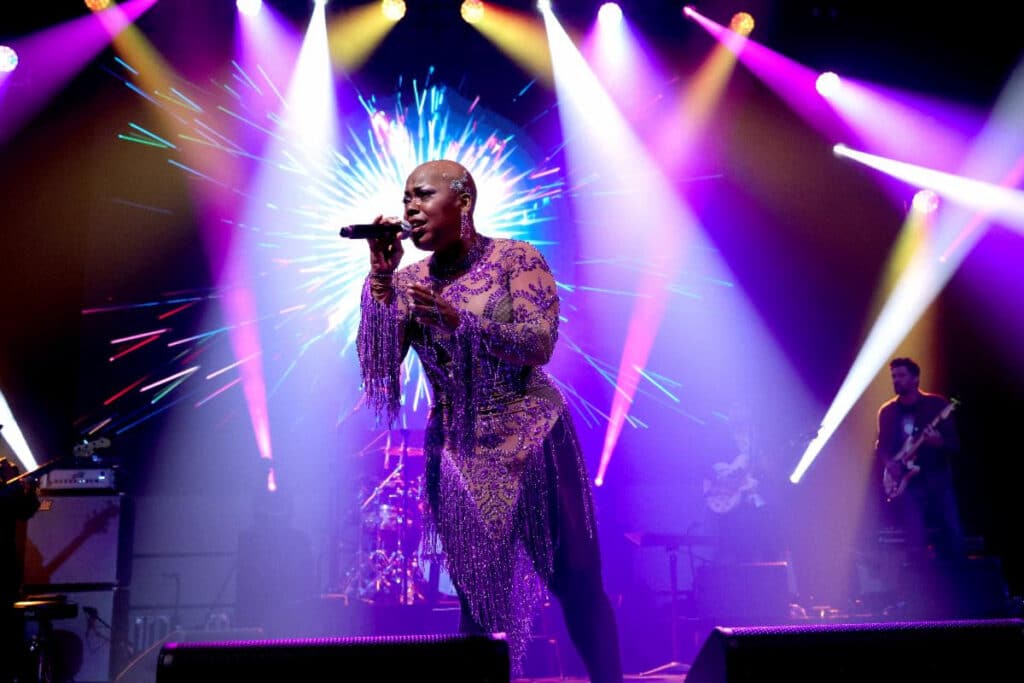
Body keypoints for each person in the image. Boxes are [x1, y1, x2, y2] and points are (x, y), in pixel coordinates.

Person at [355, 159, 623, 682]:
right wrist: (381, 281)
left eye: (423, 195)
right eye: (406, 197)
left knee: (578, 583)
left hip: (534, 437)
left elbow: (539, 342)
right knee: (476, 598)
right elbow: (379, 363)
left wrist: (462, 323)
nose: (410, 206)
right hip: (459, 450)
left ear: (464, 203)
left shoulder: (515, 259)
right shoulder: (409, 281)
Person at [872, 357, 967, 616]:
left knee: (952, 536)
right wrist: (889, 463)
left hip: (937, 480)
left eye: (901, 376)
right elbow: (881, 446)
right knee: (915, 541)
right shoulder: (887, 411)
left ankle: (960, 598)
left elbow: (954, 445)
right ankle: (919, 598)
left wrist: (939, 443)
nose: (896, 381)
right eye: (893, 376)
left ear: (916, 379)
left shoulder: (937, 406)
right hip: (909, 485)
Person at [1, 454, 41, 682]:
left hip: (6, 577)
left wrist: (31, 486)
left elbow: (25, 510)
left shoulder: (8, 489)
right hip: (6, 576)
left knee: (10, 639)